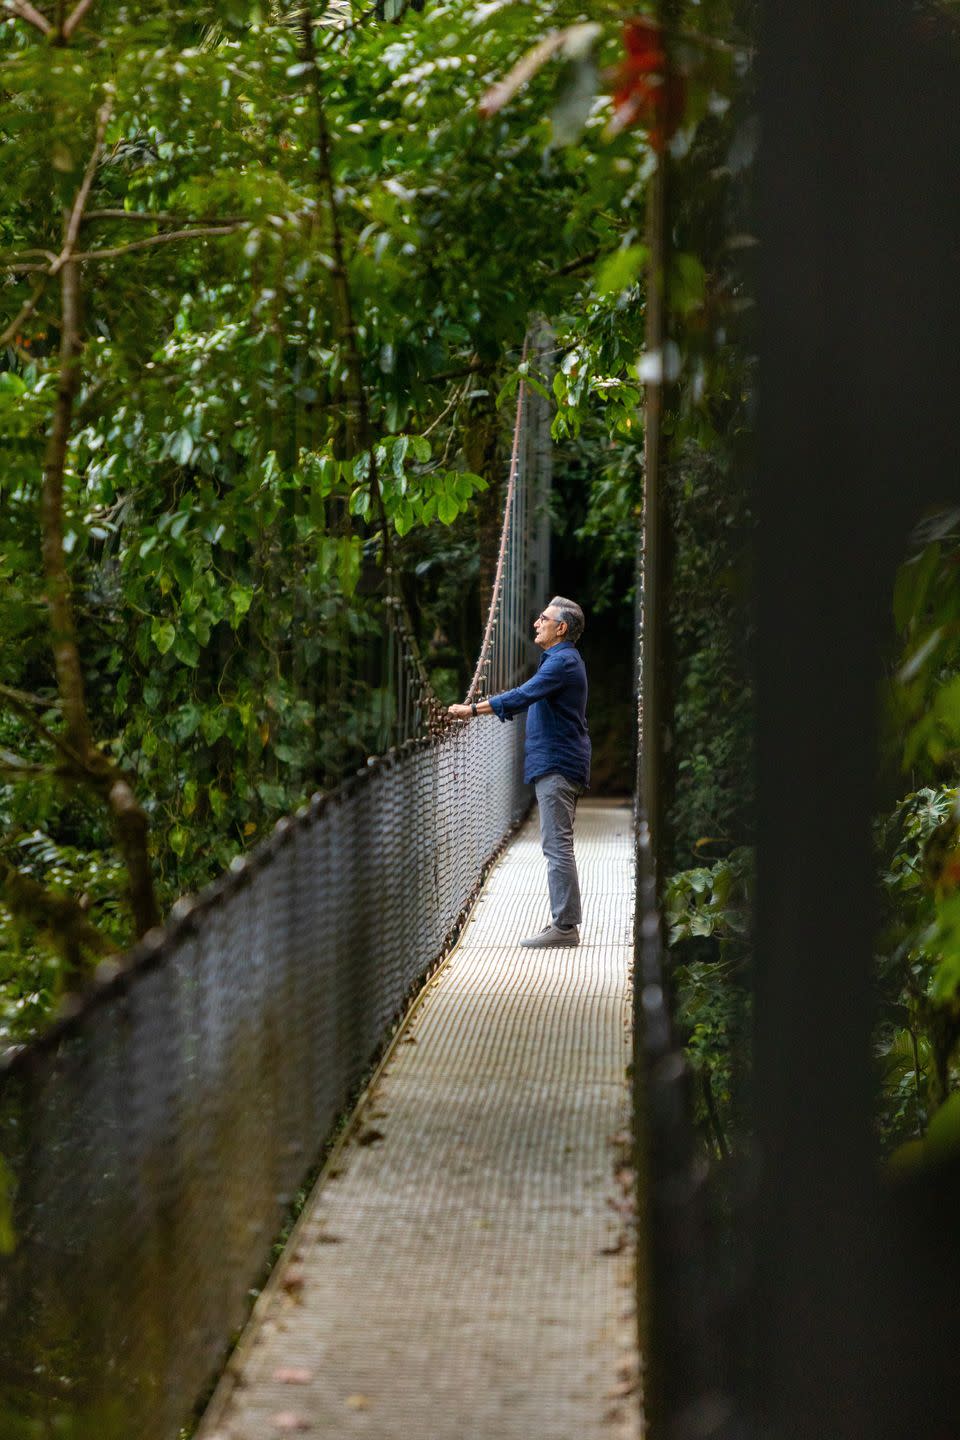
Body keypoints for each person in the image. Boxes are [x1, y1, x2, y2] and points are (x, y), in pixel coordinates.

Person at [448, 596, 590, 948]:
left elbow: (523, 694)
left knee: (556, 845)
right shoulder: (559, 661)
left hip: (558, 763)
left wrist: (472, 710)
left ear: (561, 628)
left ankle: (565, 927)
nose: (535, 623)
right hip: (556, 762)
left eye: (543, 618)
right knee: (556, 844)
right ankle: (563, 922)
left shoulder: (562, 664)